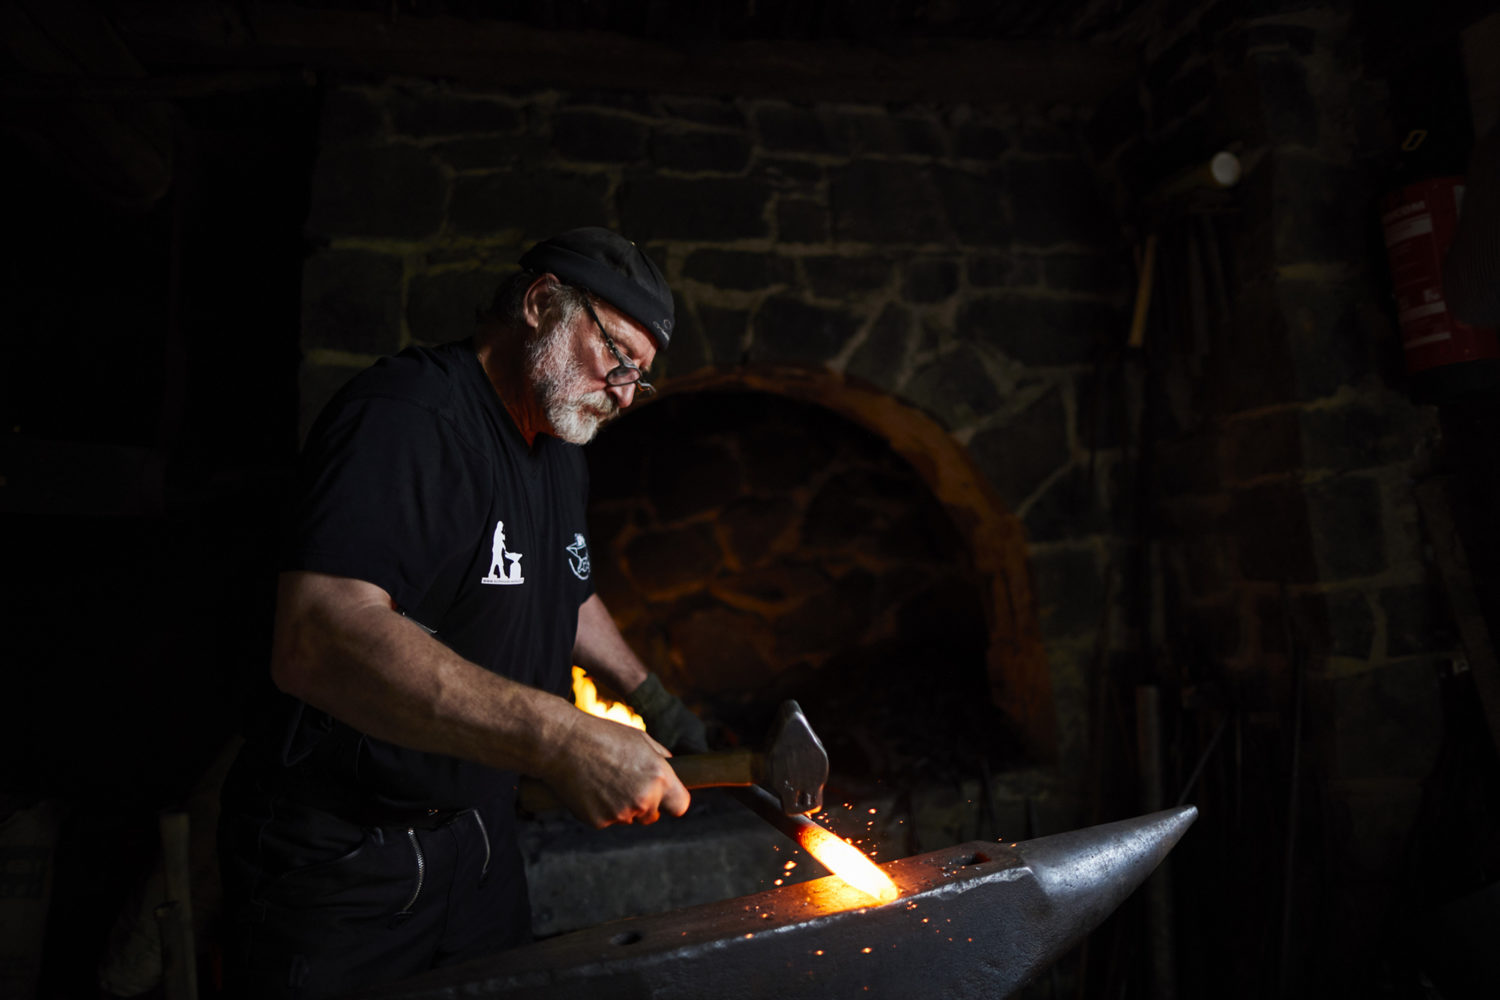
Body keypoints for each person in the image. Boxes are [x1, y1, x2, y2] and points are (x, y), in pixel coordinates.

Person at [218, 227, 708, 998]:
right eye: (617, 357)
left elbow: (565, 587)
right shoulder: (407, 418)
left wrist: (653, 697)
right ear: (541, 303)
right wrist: (561, 738)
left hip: (479, 840)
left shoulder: (559, 448)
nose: (623, 394)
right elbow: (317, 635)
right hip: (350, 859)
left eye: (638, 380)